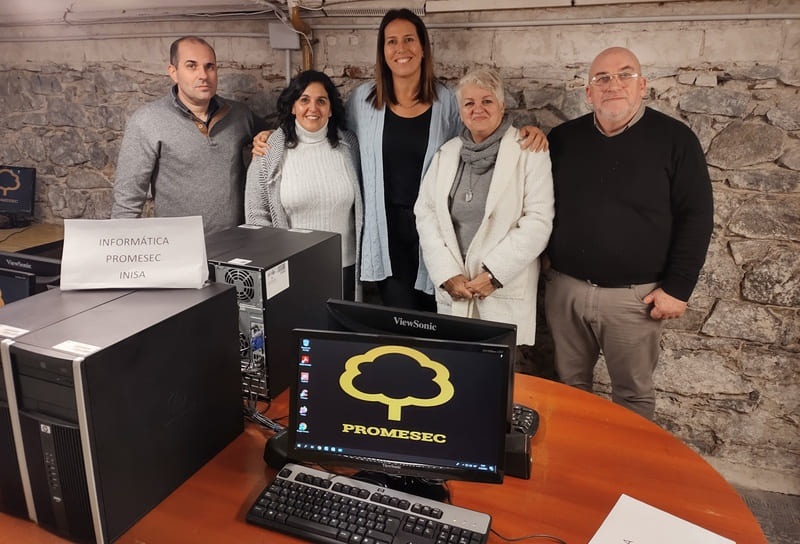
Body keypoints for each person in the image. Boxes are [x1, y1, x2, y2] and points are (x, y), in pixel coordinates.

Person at [253, 8, 547, 312]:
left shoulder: (447, 101)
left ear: (423, 48)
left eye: (409, 39)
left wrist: (521, 133)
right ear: (383, 51)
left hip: (439, 231)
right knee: (401, 319)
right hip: (385, 230)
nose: (401, 48)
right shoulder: (363, 101)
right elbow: (323, 132)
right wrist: (275, 137)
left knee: (440, 318)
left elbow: (479, 135)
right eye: (391, 41)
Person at [544, 47, 714, 420]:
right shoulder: (562, 139)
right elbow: (537, 202)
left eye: (625, 75)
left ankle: (630, 463)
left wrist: (678, 288)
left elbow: (697, 216)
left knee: (633, 396)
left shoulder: (676, 140)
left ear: (642, 86)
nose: (613, 85)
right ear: (589, 92)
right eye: (602, 78)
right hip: (565, 291)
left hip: (636, 299)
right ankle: (576, 457)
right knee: (568, 390)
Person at [415, 68, 554, 351]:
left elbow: (538, 221)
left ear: (502, 107)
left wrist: (494, 275)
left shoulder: (529, 152)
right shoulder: (446, 153)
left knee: (500, 370)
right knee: (454, 367)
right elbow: (426, 214)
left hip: (502, 287)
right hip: (456, 287)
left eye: (487, 101)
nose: (477, 109)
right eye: (469, 103)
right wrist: (446, 274)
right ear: (460, 111)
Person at [111, 36, 265, 234]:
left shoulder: (240, 115)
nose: (203, 75)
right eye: (192, 66)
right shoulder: (147, 121)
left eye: (210, 66)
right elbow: (128, 199)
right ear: (173, 72)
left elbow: (277, 138)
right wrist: (121, 243)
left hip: (237, 241)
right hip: (179, 245)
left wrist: (267, 134)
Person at [244, 70, 362, 301]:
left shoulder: (350, 146)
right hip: (292, 270)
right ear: (293, 107)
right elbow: (255, 215)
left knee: (341, 324)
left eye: (321, 101)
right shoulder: (269, 150)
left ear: (330, 109)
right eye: (304, 100)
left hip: (344, 268)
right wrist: (277, 261)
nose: (313, 108)